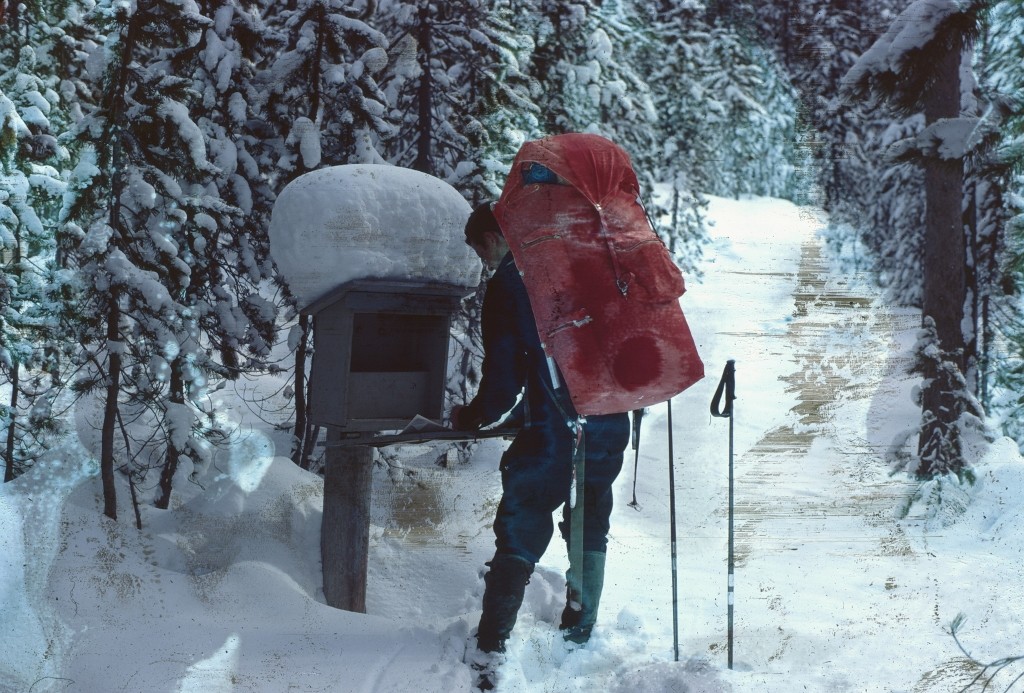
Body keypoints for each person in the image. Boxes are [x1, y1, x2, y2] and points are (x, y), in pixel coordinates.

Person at [452, 202, 630, 680]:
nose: (484, 261)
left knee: (524, 516)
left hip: (553, 426)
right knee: (590, 511)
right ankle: (579, 629)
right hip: (610, 418)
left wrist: (475, 416)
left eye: (479, 250)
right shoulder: (586, 265)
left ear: (492, 237)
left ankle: (490, 643)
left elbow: (505, 377)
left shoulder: (511, 281)